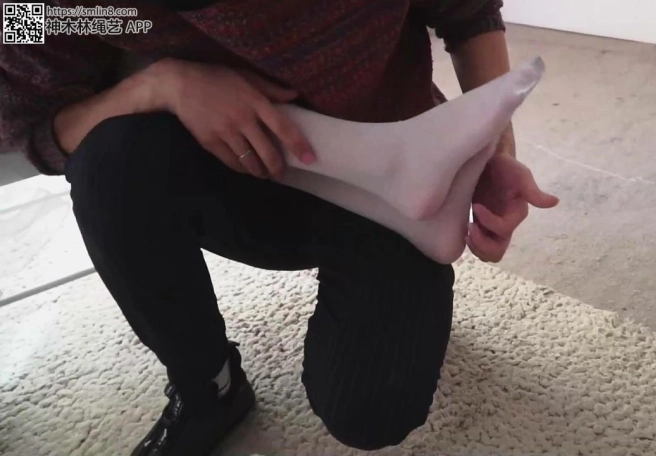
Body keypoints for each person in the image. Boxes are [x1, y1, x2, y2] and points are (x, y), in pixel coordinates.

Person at [0, 0, 559, 454]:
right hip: (220, 175)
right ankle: (210, 386)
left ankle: (398, 169)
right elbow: (34, 124)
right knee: (108, 163)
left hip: (395, 186)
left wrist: (491, 155)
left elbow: (469, 11)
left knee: (371, 411)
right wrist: (162, 85)